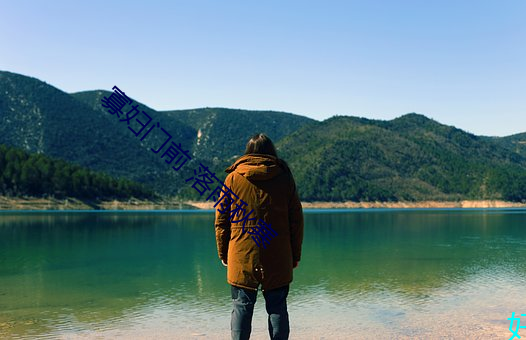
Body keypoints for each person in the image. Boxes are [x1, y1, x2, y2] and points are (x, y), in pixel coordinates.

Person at [215, 133, 304, 340]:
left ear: (247, 152)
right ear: (272, 151)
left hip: (241, 254)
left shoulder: (233, 178)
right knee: (277, 308)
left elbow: (221, 221)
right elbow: (296, 220)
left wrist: (223, 253)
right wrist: (295, 254)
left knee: (241, 307)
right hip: (279, 255)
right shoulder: (284, 177)